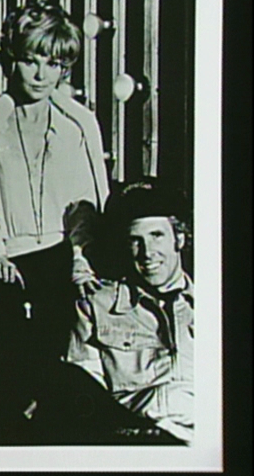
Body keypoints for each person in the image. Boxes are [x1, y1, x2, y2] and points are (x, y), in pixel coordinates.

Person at [0, 1, 110, 362]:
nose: (41, 75)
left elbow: (86, 203)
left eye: (53, 64)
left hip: (65, 261)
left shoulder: (77, 124)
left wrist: (81, 259)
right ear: (12, 59)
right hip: (6, 262)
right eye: (31, 61)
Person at [66, 180, 194, 445]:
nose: (147, 253)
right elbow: (83, 397)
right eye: (136, 240)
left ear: (179, 239)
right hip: (134, 439)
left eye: (157, 235)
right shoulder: (96, 306)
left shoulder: (215, 305)